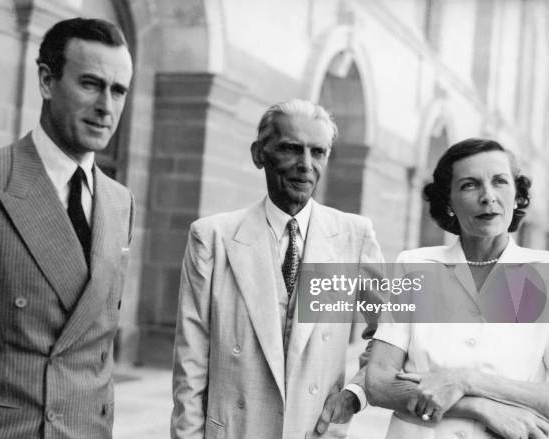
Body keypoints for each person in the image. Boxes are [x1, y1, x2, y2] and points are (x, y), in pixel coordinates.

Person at [0, 18, 134, 438]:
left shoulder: (120, 202)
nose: (107, 106)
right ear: (46, 80)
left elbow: (95, 344)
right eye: (90, 84)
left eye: (118, 91)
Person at [171, 99, 384, 438]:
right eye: (290, 149)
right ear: (259, 154)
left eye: (318, 152)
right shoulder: (213, 237)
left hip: (315, 430)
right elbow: (190, 363)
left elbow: (392, 328)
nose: (305, 165)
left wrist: (356, 394)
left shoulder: (354, 236)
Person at [366, 138, 549, 439]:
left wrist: (468, 380)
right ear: (448, 202)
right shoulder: (414, 264)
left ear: (517, 196)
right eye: (469, 185)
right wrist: (479, 407)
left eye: (500, 182)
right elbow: (378, 383)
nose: (488, 196)